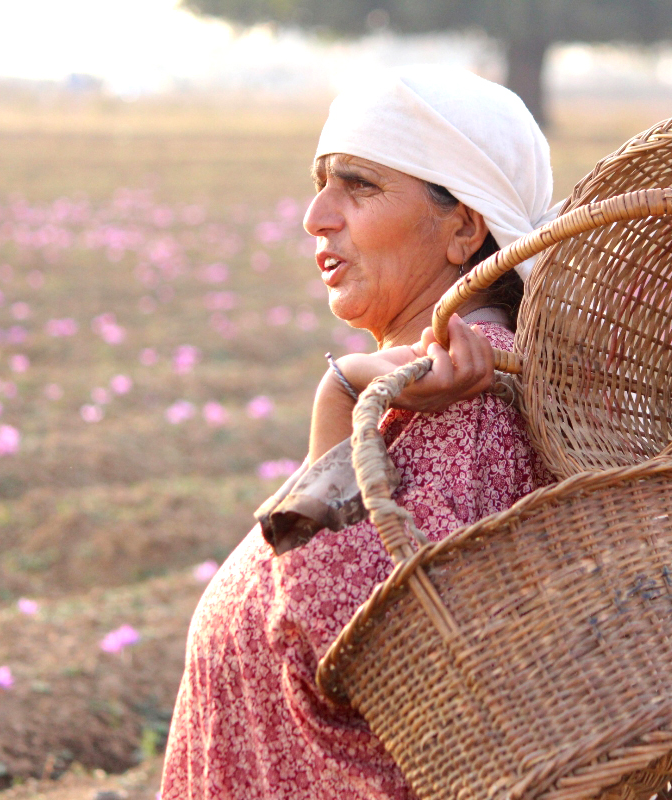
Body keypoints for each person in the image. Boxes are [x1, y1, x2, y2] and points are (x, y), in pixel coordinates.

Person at [160, 66, 559, 799]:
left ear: (465, 226)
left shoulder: (466, 393)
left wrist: (338, 399)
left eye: (358, 185)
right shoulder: (434, 376)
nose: (316, 215)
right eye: (320, 182)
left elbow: (352, 635)